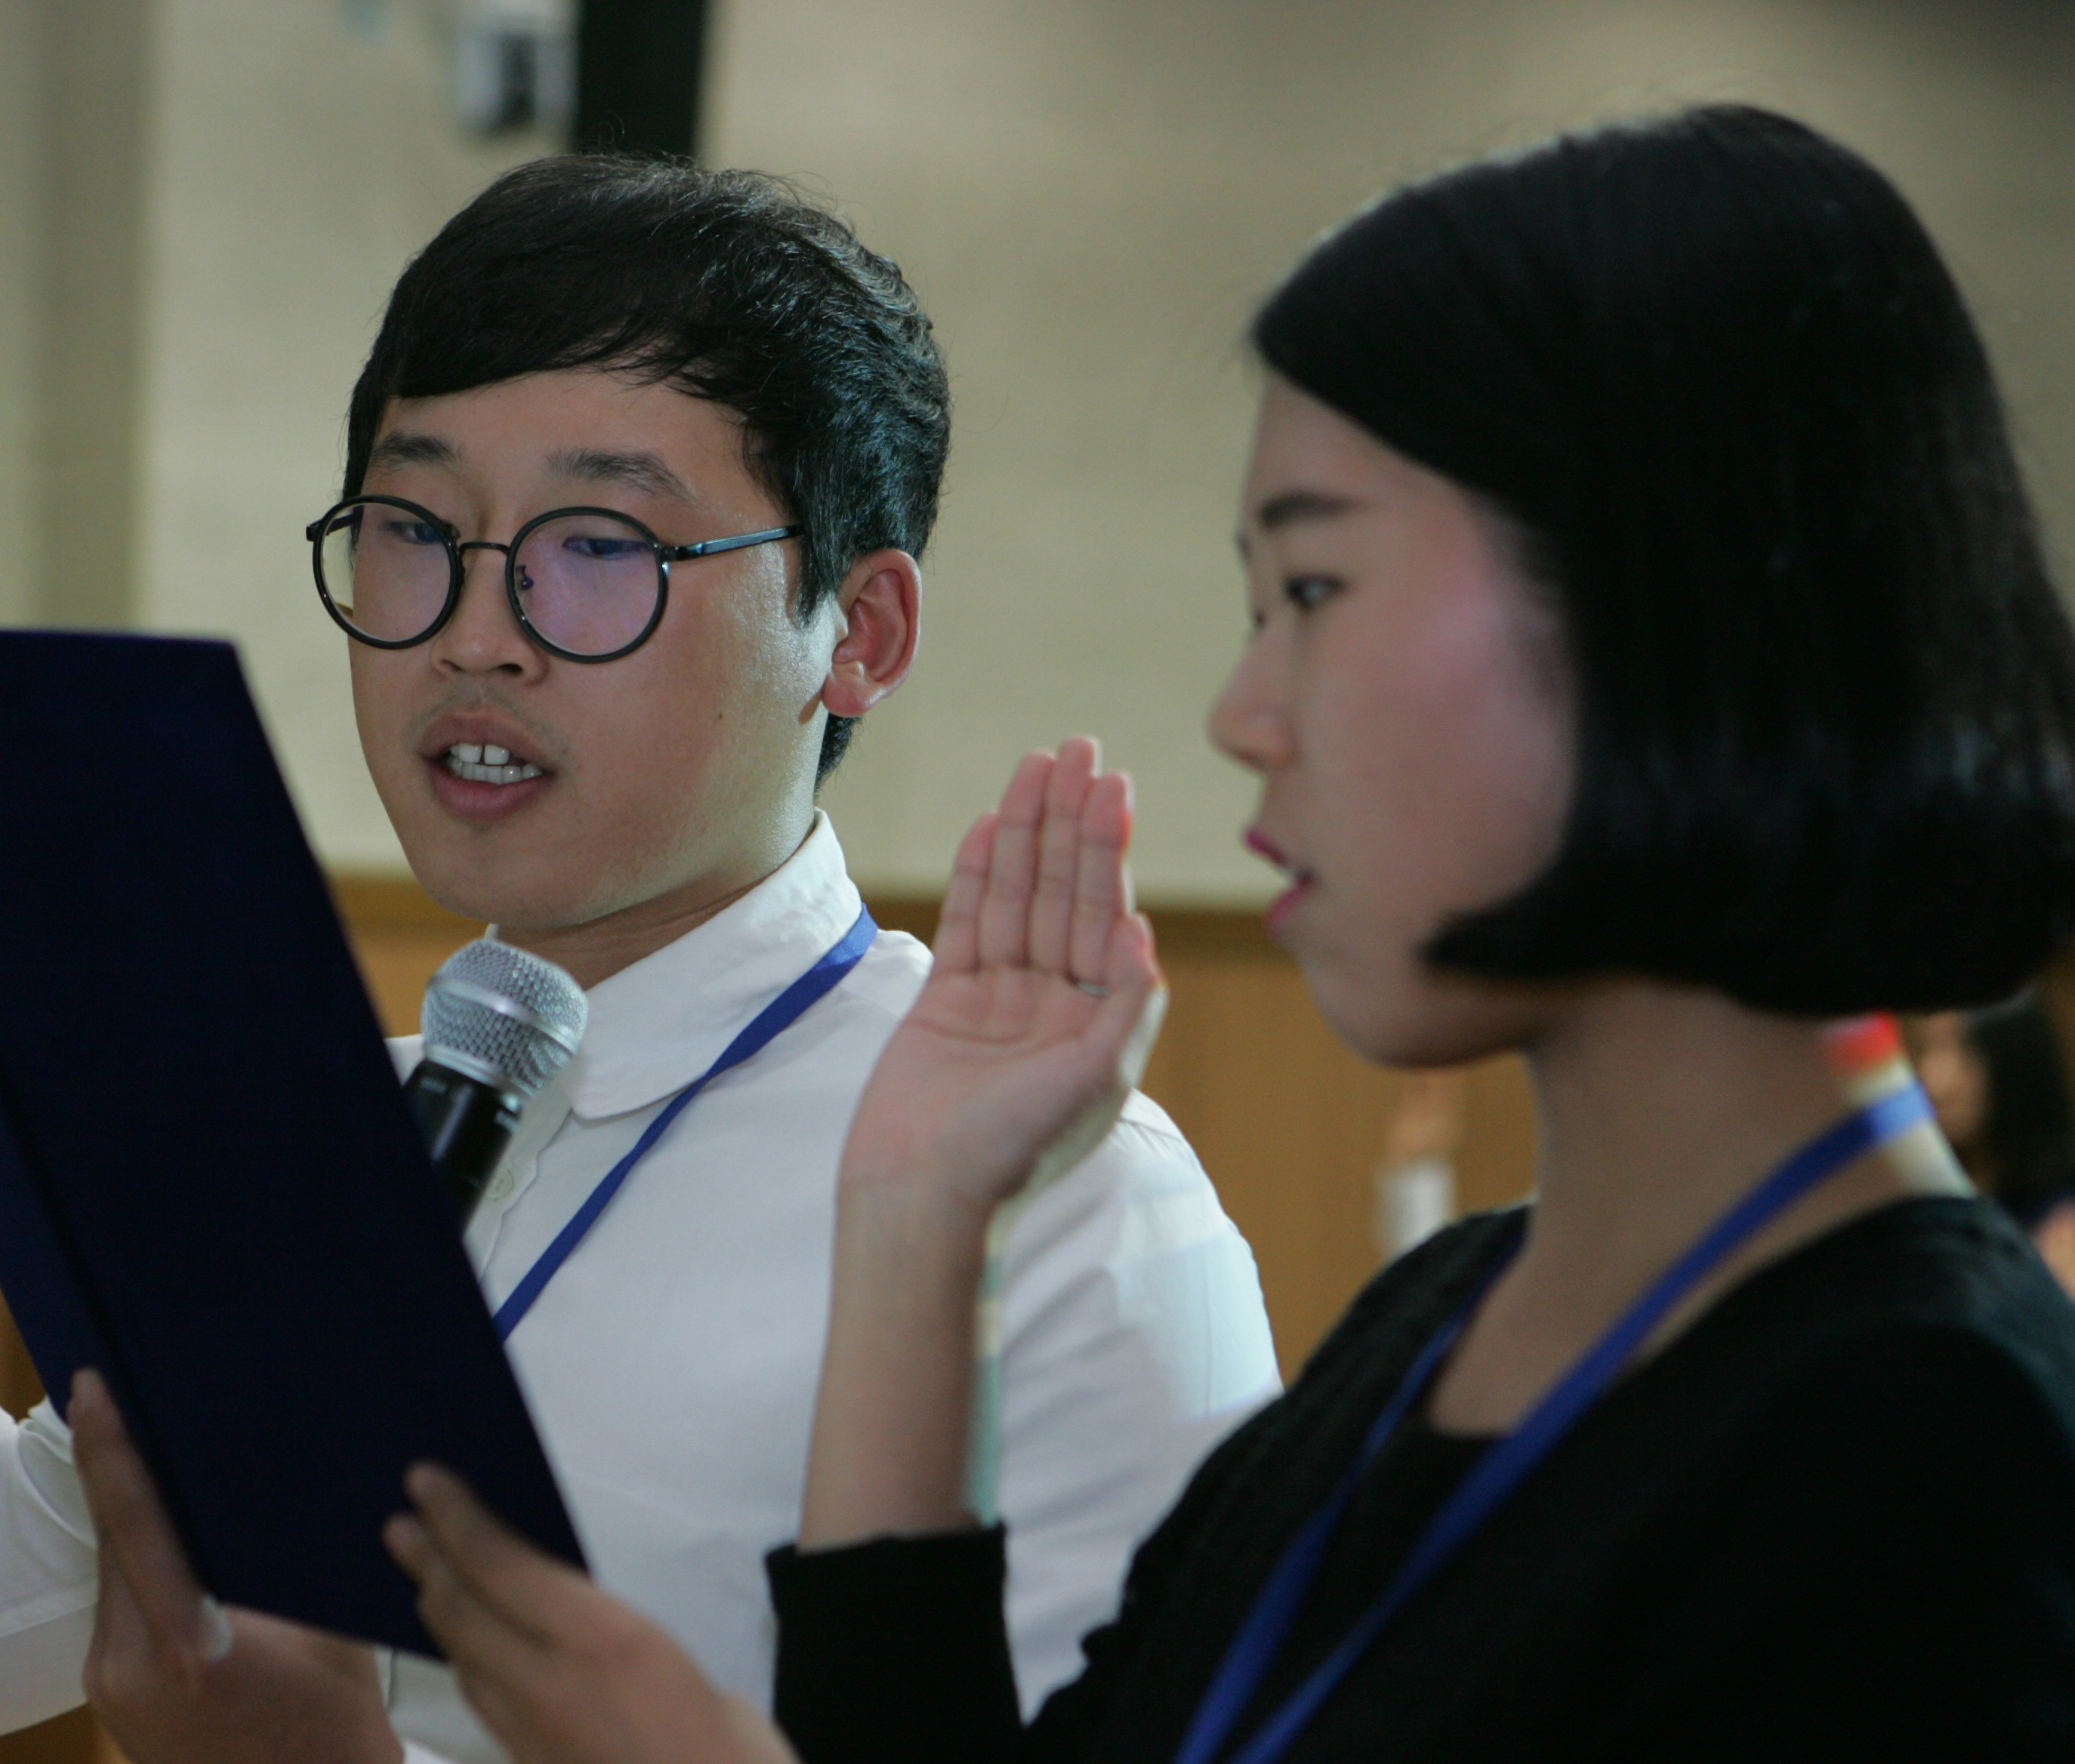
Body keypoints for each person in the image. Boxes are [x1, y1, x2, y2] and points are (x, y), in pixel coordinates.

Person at [361, 106, 2075, 1761]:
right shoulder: (1437, 1317)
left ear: (1668, 615)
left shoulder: (1924, 1430)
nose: (1242, 713)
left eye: (1311, 591)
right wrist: (913, 1226)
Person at [0, 157, 1279, 1762]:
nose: (474, 632)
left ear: (857, 632)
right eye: (414, 527)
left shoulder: (1054, 1199)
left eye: (601, 544)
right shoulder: (339, 1137)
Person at [1916, 997, 2075, 1294]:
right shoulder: (1927, 1212)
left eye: (1964, 1049)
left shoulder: (2061, 1219)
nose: (1936, 1080)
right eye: (1924, 1050)